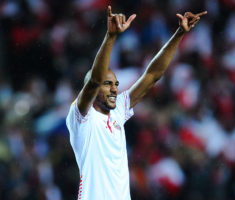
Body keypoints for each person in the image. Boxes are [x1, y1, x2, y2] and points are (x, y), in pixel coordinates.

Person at [66, 5, 207, 200]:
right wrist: (111, 37)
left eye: (116, 84)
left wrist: (179, 33)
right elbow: (95, 80)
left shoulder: (118, 112)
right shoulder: (81, 117)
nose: (115, 88)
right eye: (108, 84)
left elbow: (152, 75)